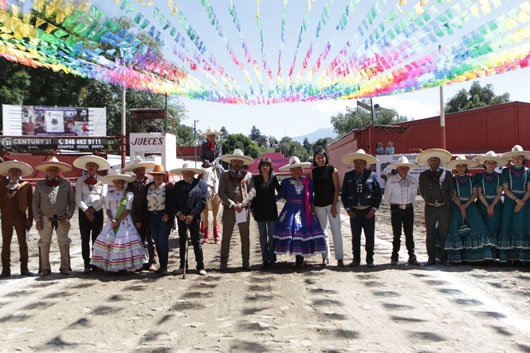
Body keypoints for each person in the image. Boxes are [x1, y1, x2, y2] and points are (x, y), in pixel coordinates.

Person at [274, 157, 326, 267]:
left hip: (303, 210)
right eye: (293, 169)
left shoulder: (308, 182)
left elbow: (310, 197)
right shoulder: (286, 182)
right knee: (292, 233)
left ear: (301, 169)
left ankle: (300, 259)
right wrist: (267, 200)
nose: (296, 171)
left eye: (298, 168)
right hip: (290, 210)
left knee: (301, 233)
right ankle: (297, 257)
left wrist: (313, 211)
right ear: (290, 171)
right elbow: (280, 195)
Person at [444, 156, 495, 263]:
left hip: (471, 205)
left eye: (463, 165)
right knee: (455, 228)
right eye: (458, 166)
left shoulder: (472, 179)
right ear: (455, 167)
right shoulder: (453, 180)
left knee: (477, 227)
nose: (461, 168)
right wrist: (460, 206)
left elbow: (474, 194)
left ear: (466, 167)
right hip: (456, 206)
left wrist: (465, 206)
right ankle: (456, 257)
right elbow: (453, 195)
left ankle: (476, 257)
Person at [90, 174, 146, 272]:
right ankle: (111, 265)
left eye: (119, 182)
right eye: (115, 182)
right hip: (112, 221)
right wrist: (112, 220)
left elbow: (127, 210)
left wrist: (118, 221)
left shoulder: (128, 195)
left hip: (124, 221)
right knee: (110, 241)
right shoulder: (109, 194)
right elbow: (107, 209)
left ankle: (124, 266)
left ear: (123, 183)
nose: (117, 184)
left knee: (123, 242)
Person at [33, 157, 75, 276]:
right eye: (50, 170)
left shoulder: (66, 183)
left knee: (64, 242)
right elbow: (35, 203)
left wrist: (69, 215)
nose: (53, 172)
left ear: (59, 171)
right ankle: (45, 267)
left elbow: (72, 202)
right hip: (45, 218)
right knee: (44, 243)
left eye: (55, 169)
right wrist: (37, 219)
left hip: (62, 218)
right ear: (47, 171)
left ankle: (65, 266)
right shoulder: (40, 184)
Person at [341, 149, 382, 267]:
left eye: (361, 162)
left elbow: (378, 194)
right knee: (355, 237)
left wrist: (374, 209)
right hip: (354, 212)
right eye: (356, 162)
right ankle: (356, 259)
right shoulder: (348, 176)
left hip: (368, 212)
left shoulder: (372, 176)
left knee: (370, 237)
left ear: (365, 163)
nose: (358, 164)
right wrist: (348, 210)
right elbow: (344, 195)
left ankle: (370, 260)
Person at [218, 149, 256, 271]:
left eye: (239, 161)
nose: (237, 163)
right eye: (235, 161)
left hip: (243, 209)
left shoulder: (248, 175)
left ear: (242, 163)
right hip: (229, 209)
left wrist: (244, 203)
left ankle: (246, 261)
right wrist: (232, 204)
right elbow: (221, 192)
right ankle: (223, 263)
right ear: (231, 161)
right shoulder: (224, 175)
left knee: (245, 236)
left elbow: (252, 191)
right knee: (226, 237)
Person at [74, 155, 110, 273]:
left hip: (97, 211)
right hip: (84, 212)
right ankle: (86, 263)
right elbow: (78, 197)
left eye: (93, 165)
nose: (91, 167)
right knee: (85, 238)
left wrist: (94, 210)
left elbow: (104, 197)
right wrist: (86, 210)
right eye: (89, 165)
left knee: (97, 237)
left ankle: (96, 262)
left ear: (97, 167)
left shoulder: (102, 180)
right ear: (86, 167)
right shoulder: (80, 180)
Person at [417, 148, 454, 265]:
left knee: (444, 233)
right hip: (430, 207)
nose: (433, 162)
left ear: (439, 162)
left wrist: (444, 201)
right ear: (428, 162)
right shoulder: (423, 175)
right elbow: (422, 191)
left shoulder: (447, 174)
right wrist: (429, 201)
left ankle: (444, 258)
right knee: (430, 233)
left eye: (435, 160)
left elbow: (451, 191)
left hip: (444, 207)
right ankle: (431, 258)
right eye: (431, 160)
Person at [171, 162, 208, 276]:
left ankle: (200, 266)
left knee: (196, 241)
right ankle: (182, 266)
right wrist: (179, 214)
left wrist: (192, 214)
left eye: (188, 173)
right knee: (182, 241)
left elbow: (203, 201)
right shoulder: (177, 185)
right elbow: (173, 202)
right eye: (184, 173)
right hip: (181, 218)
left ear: (193, 174)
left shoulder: (201, 184)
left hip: (194, 218)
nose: (186, 175)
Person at [383, 156, 420, 266]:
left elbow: (414, 195)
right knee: (396, 234)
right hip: (396, 209)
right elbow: (387, 196)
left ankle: (412, 256)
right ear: (398, 168)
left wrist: (407, 203)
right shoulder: (391, 180)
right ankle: (394, 256)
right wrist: (395, 204)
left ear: (408, 169)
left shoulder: (412, 180)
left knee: (409, 234)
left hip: (408, 208)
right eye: (401, 168)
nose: (404, 169)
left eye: (406, 168)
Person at [0, 160, 33, 277]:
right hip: (6, 217)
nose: (14, 173)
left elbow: (31, 204)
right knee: (5, 243)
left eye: (16, 171)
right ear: (8, 173)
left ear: (20, 173)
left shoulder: (26, 185)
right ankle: (5, 270)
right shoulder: (2, 184)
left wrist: (30, 219)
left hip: (20, 216)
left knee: (23, 243)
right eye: (12, 171)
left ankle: (24, 268)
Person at [123, 156, 157, 271]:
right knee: (138, 239)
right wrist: (136, 218)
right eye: (138, 170)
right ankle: (141, 262)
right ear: (134, 172)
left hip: (149, 214)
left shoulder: (150, 182)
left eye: (142, 169)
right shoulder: (130, 185)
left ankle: (152, 261)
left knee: (151, 238)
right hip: (135, 215)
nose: (140, 172)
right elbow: (129, 202)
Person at [312, 149, 344, 267]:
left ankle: (340, 258)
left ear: (326, 158)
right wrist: (313, 208)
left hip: (332, 204)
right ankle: (325, 257)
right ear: (315, 159)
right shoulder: (313, 172)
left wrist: (334, 205)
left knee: (336, 230)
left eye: (322, 157)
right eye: (318, 157)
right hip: (319, 205)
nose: (320, 159)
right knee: (322, 231)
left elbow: (336, 188)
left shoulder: (332, 169)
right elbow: (313, 190)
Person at [498, 145, 530, 263]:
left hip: (525, 202)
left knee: (523, 225)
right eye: (515, 158)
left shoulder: (528, 172)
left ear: (523, 159)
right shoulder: (506, 172)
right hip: (510, 201)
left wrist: (522, 203)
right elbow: (505, 189)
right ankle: (509, 257)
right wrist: (517, 201)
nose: (517, 160)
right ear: (512, 159)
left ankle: (524, 257)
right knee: (509, 224)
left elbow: (529, 190)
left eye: (519, 158)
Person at [250, 157, 281, 270]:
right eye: (263, 165)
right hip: (260, 211)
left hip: (272, 211)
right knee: (262, 237)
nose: (265, 167)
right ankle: (265, 260)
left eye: (267, 165)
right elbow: (253, 195)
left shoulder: (273, 178)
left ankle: (272, 259)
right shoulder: (256, 179)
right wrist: (252, 209)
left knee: (272, 237)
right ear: (260, 167)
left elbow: (280, 190)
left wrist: (276, 198)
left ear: (270, 167)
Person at [473, 151, 507, 250]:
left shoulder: (500, 176)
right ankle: (485, 253)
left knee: (495, 226)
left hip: (496, 204)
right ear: (484, 164)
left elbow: (499, 192)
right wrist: (488, 206)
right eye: (488, 163)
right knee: (484, 226)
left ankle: (495, 253)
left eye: (493, 163)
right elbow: (479, 193)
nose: (491, 165)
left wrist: (492, 206)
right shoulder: (479, 176)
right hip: (482, 204)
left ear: (496, 164)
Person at [145, 165, 174, 275]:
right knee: (156, 241)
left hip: (163, 216)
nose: (158, 177)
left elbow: (172, 202)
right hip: (152, 216)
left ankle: (164, 266)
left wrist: (168, 214)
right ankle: (161, 265)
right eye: (156, 175)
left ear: (163, 176)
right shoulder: (148, 187)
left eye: (160, 175)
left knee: (163, 241)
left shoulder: (168, 187)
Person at [200, 162, 222, 244]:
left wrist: (214, 162)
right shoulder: (203, 148)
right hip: (206, 165)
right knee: (198, 179)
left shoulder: (217, 148)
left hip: (215, 165)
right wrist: (205, 161)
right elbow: (202, 155)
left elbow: (218, 155)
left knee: (222, 173)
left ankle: (223, 195)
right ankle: (206, 234)